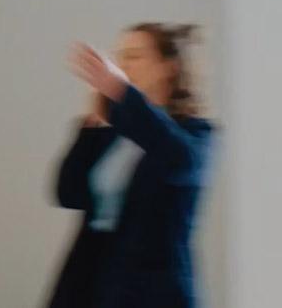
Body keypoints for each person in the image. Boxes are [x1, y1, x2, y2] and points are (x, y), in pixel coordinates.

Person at [46, 23, 214, 308]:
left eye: (135, 56)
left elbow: (177, 158)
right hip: (93, 283)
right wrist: (93, 126)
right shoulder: (112, 134)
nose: (122, 66)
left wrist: (123, 96)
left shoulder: (196, 133)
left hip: (152, 294)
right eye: (119, 57)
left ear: (167, 67)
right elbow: (69, 194)